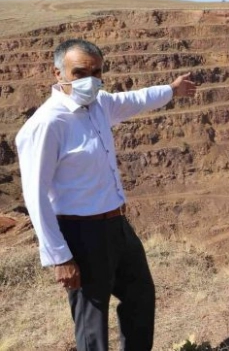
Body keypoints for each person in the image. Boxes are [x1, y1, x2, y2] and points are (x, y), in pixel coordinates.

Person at [15, 39, 199, 350]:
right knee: (92, 321)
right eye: (80, 72)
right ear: (57, 73)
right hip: (80, 233)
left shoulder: (99, 105)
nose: (91, 80)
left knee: (140, 294)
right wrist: (60, 256)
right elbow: (34, 196)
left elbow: (136, 99)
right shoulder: (47, 124)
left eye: (97, 72)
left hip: (117, 226)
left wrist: (172, 89)